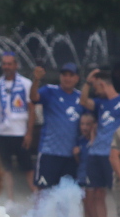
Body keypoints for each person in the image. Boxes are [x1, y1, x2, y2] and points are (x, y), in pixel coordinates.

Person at [77, 69, 120, 217]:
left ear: (102, 84)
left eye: (95, 86)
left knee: (119, 193)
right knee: (97, 193)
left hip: (115, 153)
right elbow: (83, 101)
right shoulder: (100, 103)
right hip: (96, 153)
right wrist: (87, 82)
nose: (94, 90)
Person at [0, 53, 35, 202]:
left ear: (16, 65)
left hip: (20, 133)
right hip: (1, 133)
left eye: (10, 64)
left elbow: (32, 110)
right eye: (4, 64)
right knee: (5, 168)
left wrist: (29, 133)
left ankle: (36, 197)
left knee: (28, 168)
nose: (7, 67)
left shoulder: (26, 84)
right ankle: (10, 199)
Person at [32, 63, 85, 192]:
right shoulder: (50, 90)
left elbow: (88, 124)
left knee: (67, 193)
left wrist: (81, 145)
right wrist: (36, 80)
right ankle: (41, 213)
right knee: (43, 190)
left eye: (71, 75)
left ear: (77, 78)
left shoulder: (81, 98)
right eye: (64, 75)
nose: (67, 78)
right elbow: (33, 98)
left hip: (71, 155)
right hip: (49, 152)